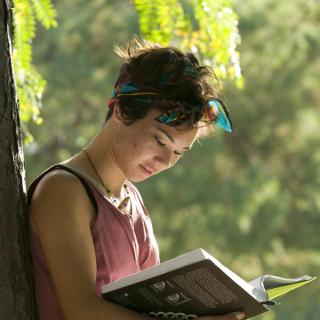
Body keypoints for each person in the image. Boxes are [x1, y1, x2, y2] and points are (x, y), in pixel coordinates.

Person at [27, 39, 243, 320]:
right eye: (159, 140)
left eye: (179, 152)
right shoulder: (64, 190)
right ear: (122, 111)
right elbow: (80, 310)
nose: (166, 162)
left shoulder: (132, 202)